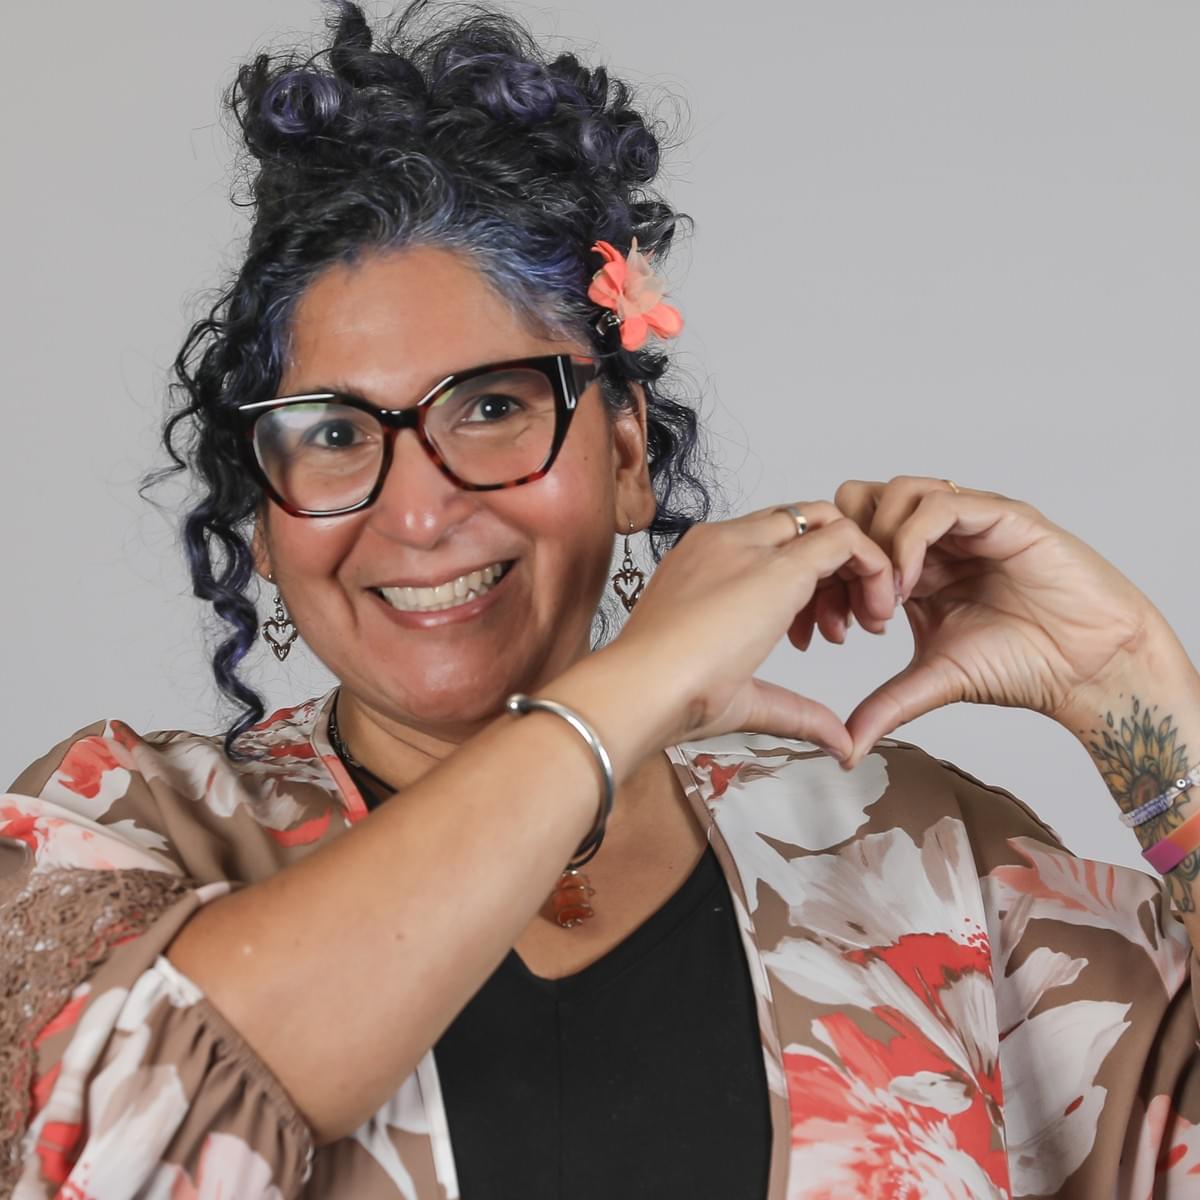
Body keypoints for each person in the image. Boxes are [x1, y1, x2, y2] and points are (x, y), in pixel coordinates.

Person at [2, 2, 1199, 1196]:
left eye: (492, 407)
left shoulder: (913, 856)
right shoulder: (127, 827)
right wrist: (633, 689)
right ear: (263, 520)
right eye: (332, 433)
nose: (416, 512)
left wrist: (1129, 685)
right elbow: (89, 1135)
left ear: (628, 457)